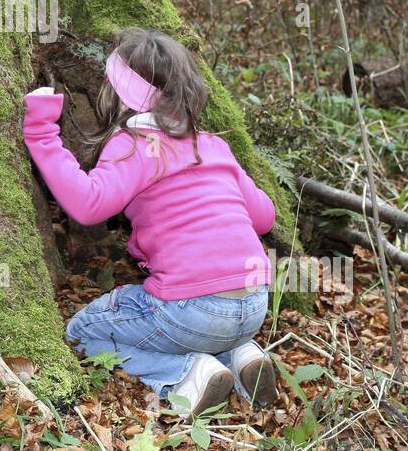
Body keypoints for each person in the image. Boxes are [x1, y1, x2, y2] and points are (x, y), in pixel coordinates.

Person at [23, 28, 278, 417]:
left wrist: (42, 134)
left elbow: (90, 205)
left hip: (191, 311)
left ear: (120, 93)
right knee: (206, 319)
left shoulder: (135, 145)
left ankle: (185, 374)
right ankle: (242, 356)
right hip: (255, 304)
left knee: (83, 332)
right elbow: (264, 217)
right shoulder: (211, 144)